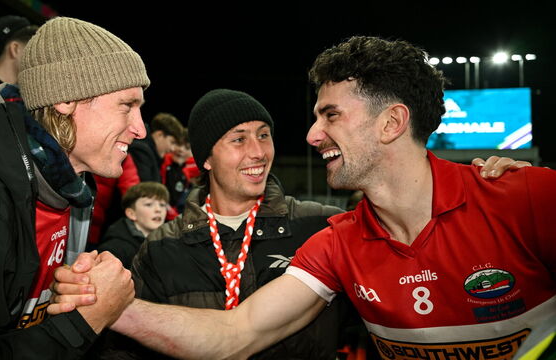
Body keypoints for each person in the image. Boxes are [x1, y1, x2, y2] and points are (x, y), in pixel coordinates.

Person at [51, 36, 546, 359]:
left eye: (330, 116)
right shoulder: (339, 243)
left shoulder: (525, 200)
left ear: (392, 123)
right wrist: (112, 303)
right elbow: (237, 334)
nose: (310, 135)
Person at [0, 16, 150, 359]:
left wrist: (69, 294)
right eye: (127, 106)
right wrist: (84, 322)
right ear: (66, 100)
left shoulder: (73, 186)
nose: (140, 130)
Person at [92, 88, 350, 359]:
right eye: (239, 140)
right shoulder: (162, 247)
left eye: (264, 135)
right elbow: (124, 351)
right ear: (206, 158)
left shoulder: (320, 225)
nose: (258, 152)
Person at [98, 181, 169, 269]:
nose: (158, 209)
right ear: (131, 214)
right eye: (149, 204)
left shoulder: (168, 243)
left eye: (162, 205)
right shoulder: (116, 249)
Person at [130, 112, 185, 182]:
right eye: (172, 142)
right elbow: (146, 188)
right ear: (160, 135)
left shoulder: (153, 154)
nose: (172, 149)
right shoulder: (141, 151)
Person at [160, 128, 200, 214]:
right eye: (178, 144)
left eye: (187, 148)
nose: (181, 149)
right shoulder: (162, 162)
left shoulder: (198, 170)